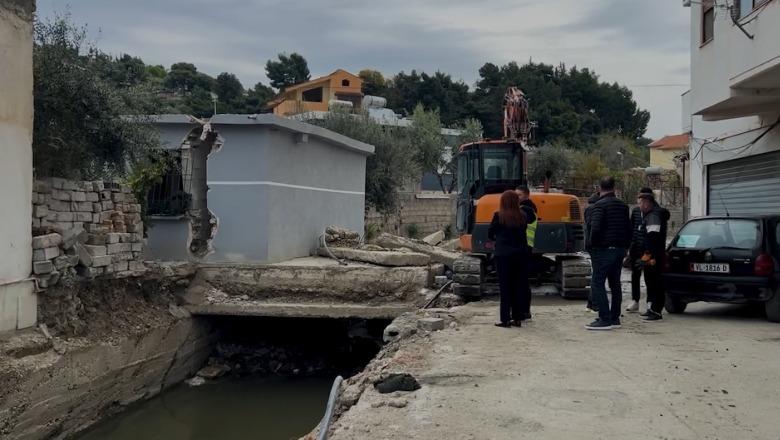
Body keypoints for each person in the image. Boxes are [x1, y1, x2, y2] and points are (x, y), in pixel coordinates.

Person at [585, 177, 632, 331]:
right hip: (619, 249)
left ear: (599, 188)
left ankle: (604, 318)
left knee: (597, 282)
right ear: (614, 187)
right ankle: (614, 317)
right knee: (615, 283)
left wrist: (592, 244)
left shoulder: (599, 205)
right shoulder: (623, 206)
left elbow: (596, 228)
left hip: (604, 249)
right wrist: (626, 247)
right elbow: (628, 228)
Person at [488, 190, 529, 328]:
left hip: (503, 256)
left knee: (505, 288)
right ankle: (517, 318)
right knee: (518, 286)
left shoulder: (498, 216)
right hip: (520, 255)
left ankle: (505, 319)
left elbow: (490, 233)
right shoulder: (523, 216)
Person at [635, 192, 670, 322]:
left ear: (646, 203)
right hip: (653, 256)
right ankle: (651, 309)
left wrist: (648, 256)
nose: (639, 206)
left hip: (654, 257)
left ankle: (656, 311)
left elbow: (653, 238)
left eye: (640, 203)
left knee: (655, 284)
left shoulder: (653, 216)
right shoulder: (651, 215)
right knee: (650, 283)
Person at [626, 187, 655, 313]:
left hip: (648, 251)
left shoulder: (654, 213)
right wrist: (630, 246)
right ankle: (635, 300)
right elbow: (631, 229)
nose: (641, 202)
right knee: (635, 275)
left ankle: (650, 302)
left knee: (649, 276)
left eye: (643, 199)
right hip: (635, 249)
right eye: (640, 199)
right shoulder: (636, 212)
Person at [515, 186, 537, 320]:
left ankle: (523, 311)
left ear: (527, 195)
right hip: (524, 247)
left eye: (520, 195)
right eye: (515, 195)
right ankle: (524, 310)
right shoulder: (527, 208)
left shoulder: (527, 209)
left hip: (524, 247)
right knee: (522, 281)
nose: (517, 198)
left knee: (521, 281)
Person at [583, 193, 601, 313]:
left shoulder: (589, 208)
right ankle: (593, 303)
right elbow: (593, 227)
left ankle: (591, 302)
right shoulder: (594, 209)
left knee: (597, 274)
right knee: (598, 275)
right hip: (595, 246)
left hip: (590, 245)